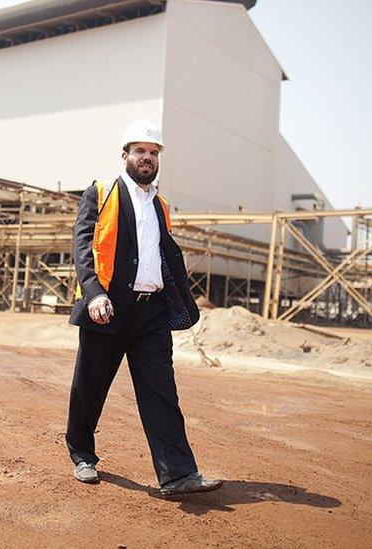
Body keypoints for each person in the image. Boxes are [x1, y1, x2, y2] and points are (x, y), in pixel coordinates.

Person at [65, 119, 222, 496]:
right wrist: (93, 294)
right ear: (125, 156)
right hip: (109, 307)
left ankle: (178, 473)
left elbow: (161, 256)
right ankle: (82, 454)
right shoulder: (101, 193)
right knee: (91, 385)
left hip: (150, 314)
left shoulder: (161, 205)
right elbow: (83, 246)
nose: (148, 158)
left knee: (161, 392)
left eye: (153, 153)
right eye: (141, 151)